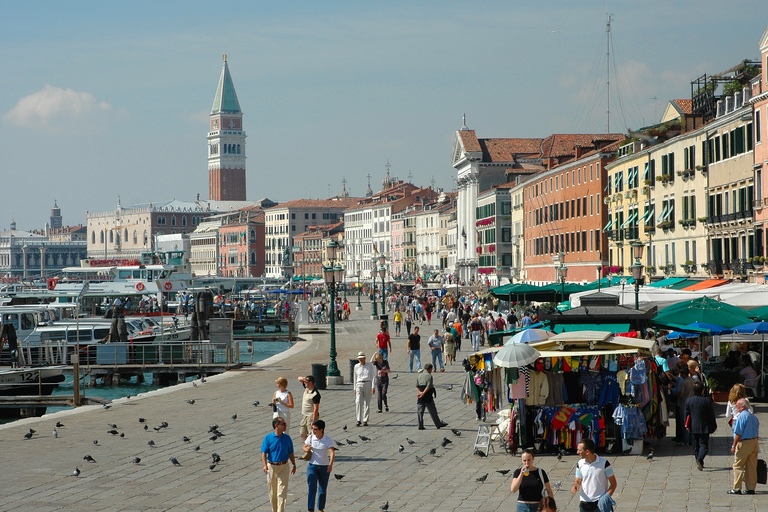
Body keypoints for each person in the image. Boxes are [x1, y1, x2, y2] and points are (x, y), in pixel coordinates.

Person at [261, 417, 296, 512]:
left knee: (282, 493)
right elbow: (263, 453)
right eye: (283, 424)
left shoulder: (287, 438)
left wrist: (294, 464)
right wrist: (264, 465)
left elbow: (291, 453)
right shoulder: (268, 438)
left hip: (284, 467)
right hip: (271, 467)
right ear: (277, 426)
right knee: (272, 493)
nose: (286, 426)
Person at [571, 439, 617, 512]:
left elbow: (613, 483)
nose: (577, 452)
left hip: (599, 504)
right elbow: (578, 479)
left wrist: (606, 497)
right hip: (584, 503)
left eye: (579, 450)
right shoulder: (580, 463)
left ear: (587, 452)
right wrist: (575, 485)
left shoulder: (604, 463)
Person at [729, 398, 760, 495]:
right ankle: (751, 488)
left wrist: (734, 445)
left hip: (744, 442)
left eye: (737, 405)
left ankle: (737, 488)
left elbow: (738, 433)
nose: (736, 407)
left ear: (742, 406)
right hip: (754, 442)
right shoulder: (753, 416)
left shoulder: (742, 416)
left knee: (738, 465)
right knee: (751, 466)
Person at [303, 419, 335, 512]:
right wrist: (307, 449)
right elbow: (304, 446)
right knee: (312, 487)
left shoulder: (327, 439)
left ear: (321, 430)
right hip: (312, 466)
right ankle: (311, 509)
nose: (313, 430)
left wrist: (330, 464)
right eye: (313, 428)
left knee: (322, 489)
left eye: (315, 429)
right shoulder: (311, 437)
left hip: (324, 466)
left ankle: (320, 508)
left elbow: (332, 452)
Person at [684, 382, 717, 470]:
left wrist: (686, 424)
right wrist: (714, 425)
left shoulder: (689, 401)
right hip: (704, 426)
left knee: (696, 445)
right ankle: (700, 459)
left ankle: (699, 461)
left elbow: (686, 414)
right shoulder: (706, 401)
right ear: (702, 391)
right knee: (704, 445)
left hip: (693, 426)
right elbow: (711, 414)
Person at [415, 363, 448, 430]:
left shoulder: (419, 375)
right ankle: (438, 424)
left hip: (420, 395)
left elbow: (416, 386)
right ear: (430, 369)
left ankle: (420, 425)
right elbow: (428, 386)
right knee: (432, 411)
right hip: (427, 395)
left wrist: (420, 392)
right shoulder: (429, 376)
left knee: (420, 411)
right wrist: (423, 393)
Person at [353, 352, 375, 426]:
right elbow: (355, 378)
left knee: (367, 402)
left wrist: (373, 386)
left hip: (367, 383)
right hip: (359, 384)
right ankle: (358, 419)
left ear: (365, 358)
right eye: (359, 358)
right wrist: (354, 388)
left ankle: (365, 420)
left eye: (362, 358)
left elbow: (372, 376)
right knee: (358, 401)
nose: (361, 360)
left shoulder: (370, 365)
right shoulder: (356, 366)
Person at [297, 375, 321, 442]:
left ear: (310, 382)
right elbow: (299, 378)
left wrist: (313, 420)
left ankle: (312, 446)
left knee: (312, 433)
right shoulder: (306, 388)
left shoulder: (315, 394)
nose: (304, 383)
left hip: (311, 415)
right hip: (304, 415)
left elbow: (316, 408)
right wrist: (304, 378)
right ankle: (306, 446)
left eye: (306, 382)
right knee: (302, 432)